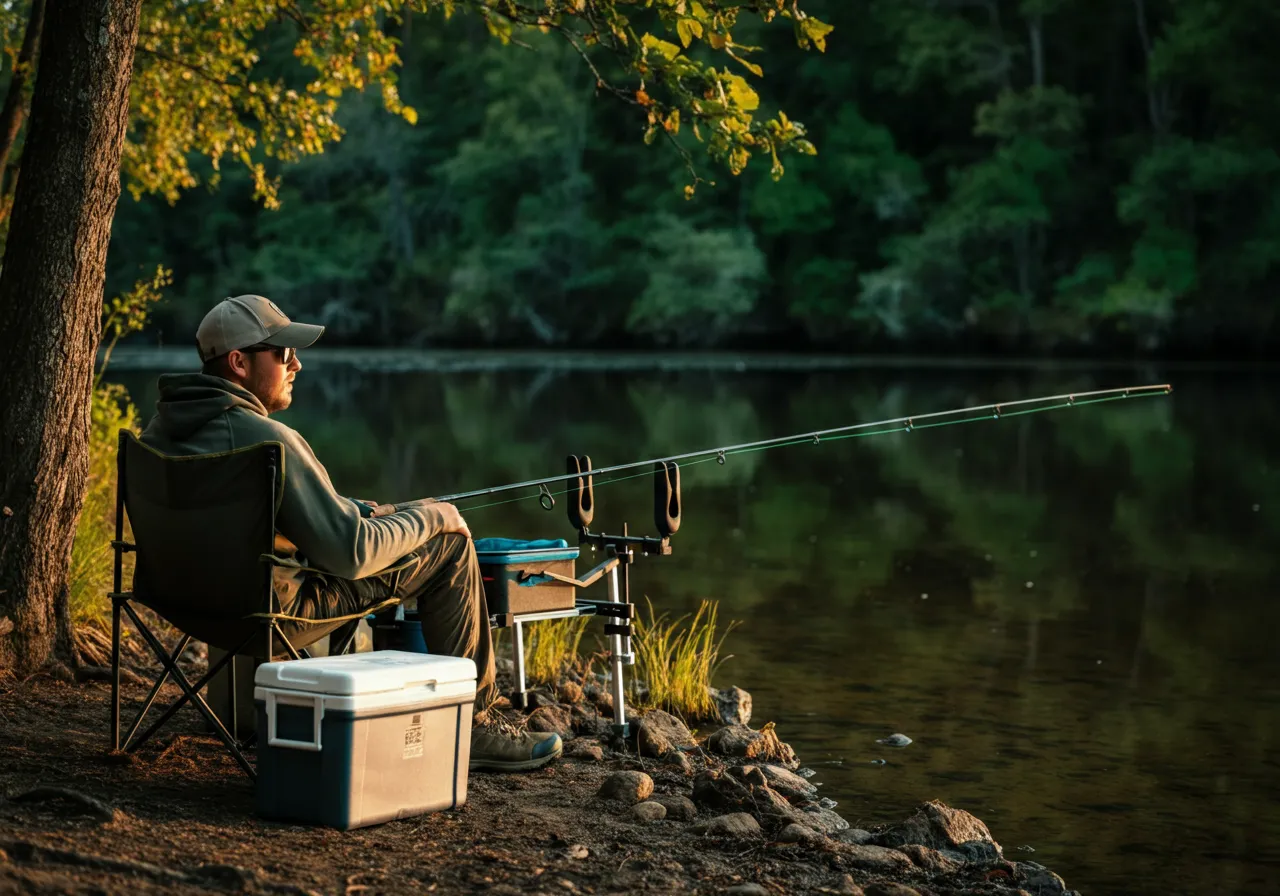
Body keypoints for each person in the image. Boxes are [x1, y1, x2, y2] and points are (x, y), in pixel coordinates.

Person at [139, 294, 562, 772]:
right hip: (269, 614)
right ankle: (476, 725)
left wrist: (358, 511)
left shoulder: (161, 431)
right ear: (239, 362)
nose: (295, 362)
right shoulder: (271, 441)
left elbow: (253, 520)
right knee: (449, 544)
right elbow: (350, 554)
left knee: (394, 524)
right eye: (282, 353)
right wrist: (436, 515)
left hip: (184, 602)